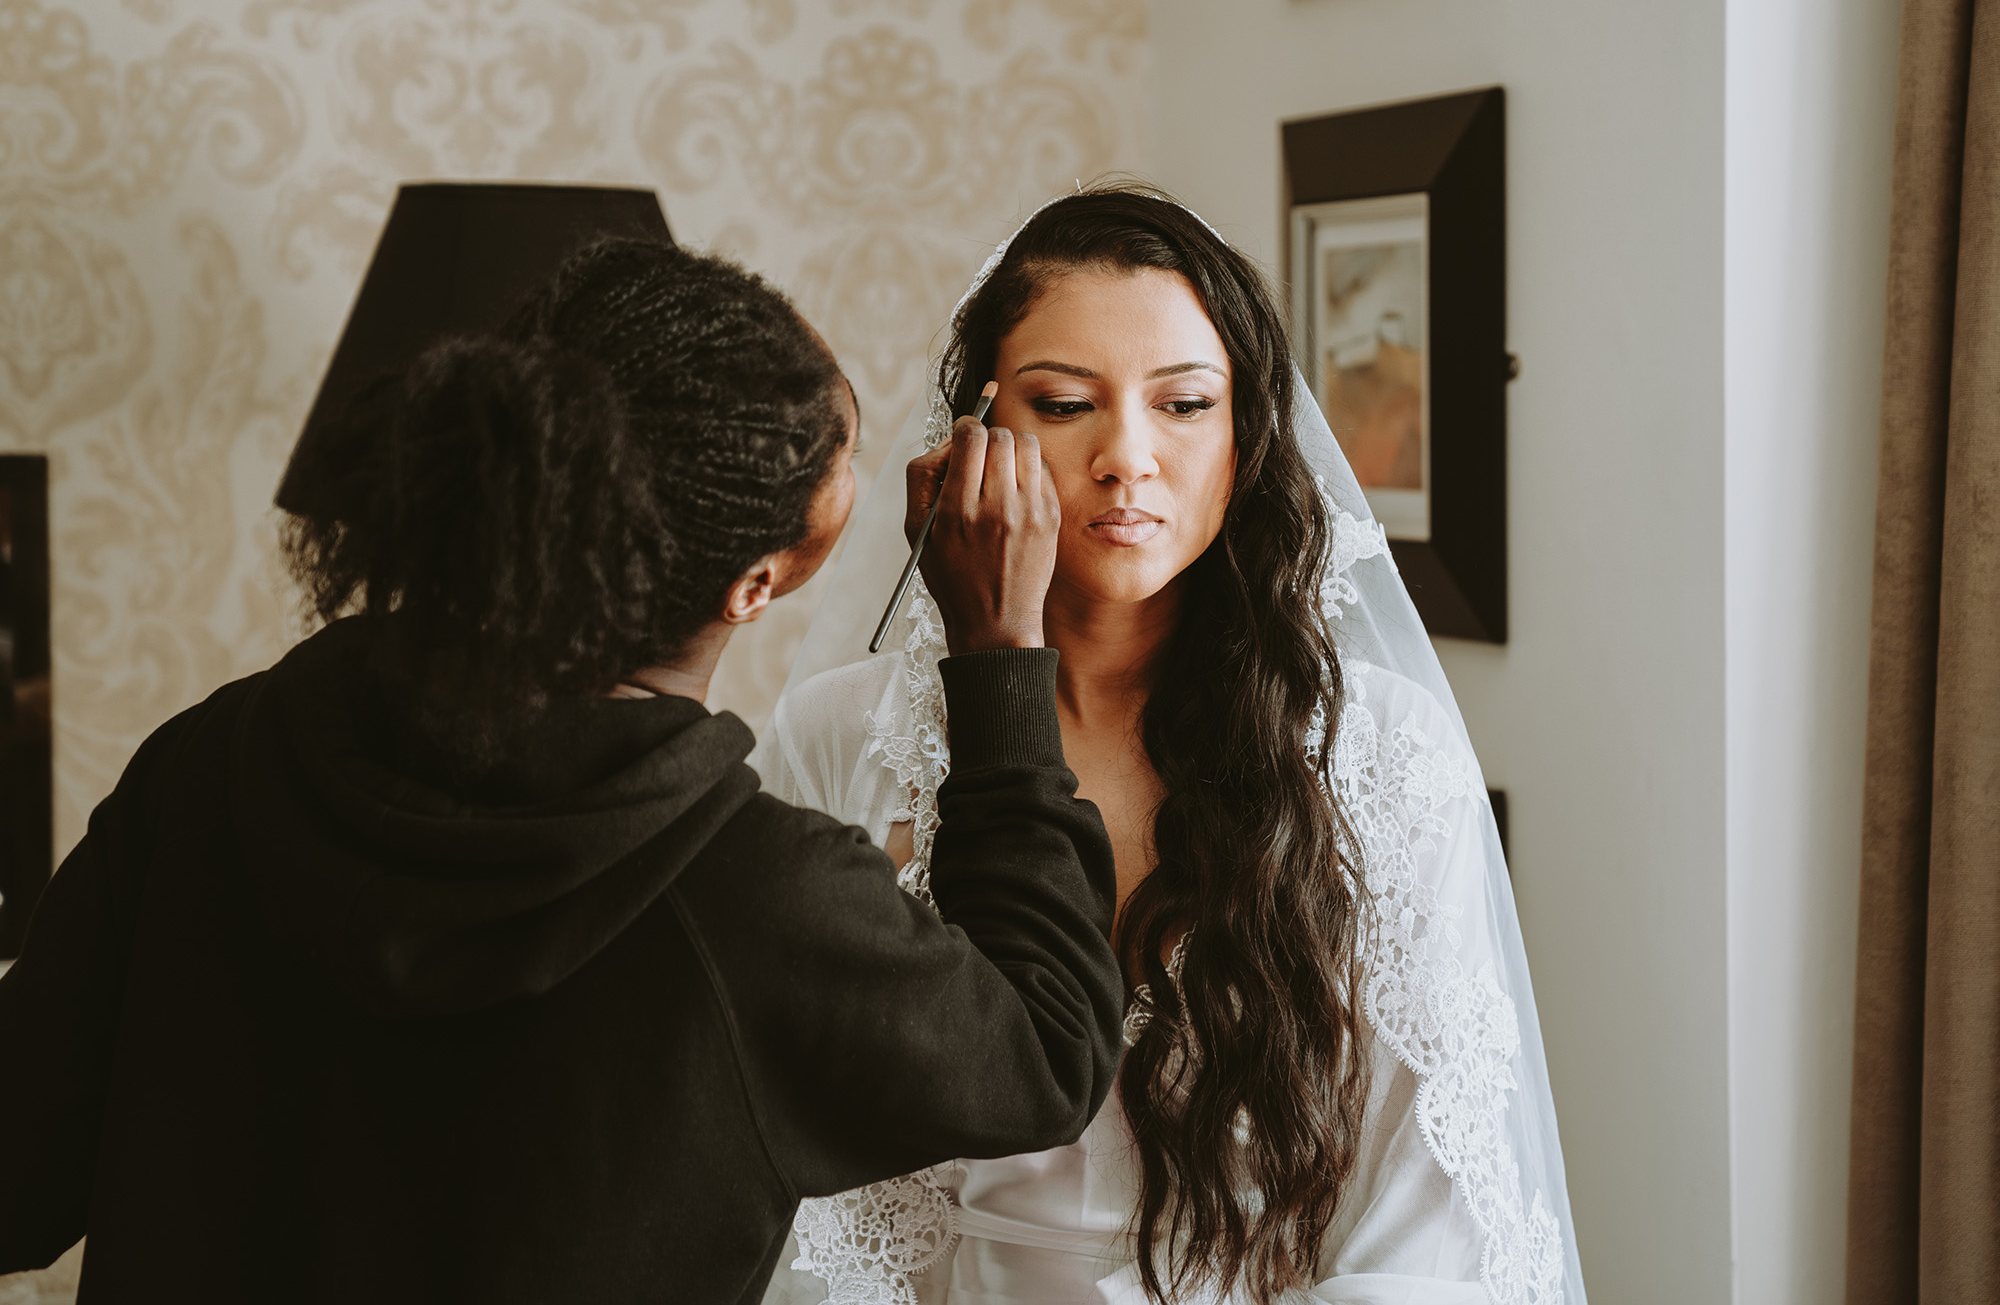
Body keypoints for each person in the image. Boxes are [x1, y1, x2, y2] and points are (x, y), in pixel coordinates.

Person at [0, 239, 1129, 1303]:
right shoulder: (758, 896)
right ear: (753, 583)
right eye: (846, 455)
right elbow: (1044, 1047)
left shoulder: (209, 760)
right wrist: (1001, 659)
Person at [754, 187, 1586, 1305]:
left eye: (1184, 403)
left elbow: (1434, 1220)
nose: (1126, 459)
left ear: (1247, 433)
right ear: (972, 442)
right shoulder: (842, 739)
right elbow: (791, 1177)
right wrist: (989, 649)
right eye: (1061, 404)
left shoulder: (1377, 751)